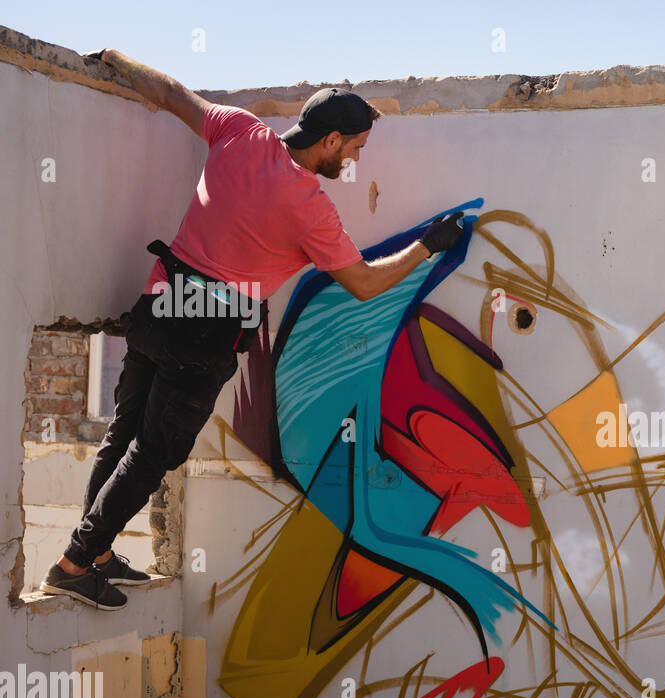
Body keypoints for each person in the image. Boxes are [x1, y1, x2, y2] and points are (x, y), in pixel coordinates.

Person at [41, 48, 466, 610]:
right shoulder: (310, 208)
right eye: (357, 148)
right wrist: (426, 247)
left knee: (124, 433)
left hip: (160, 302)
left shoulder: (240, 132)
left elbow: (170, 94)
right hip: (206, 331)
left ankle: (95, 556)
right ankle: (74, 564)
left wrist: (117, 60)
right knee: (152, 451)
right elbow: (363, 282)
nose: (356, 161)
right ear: (331, 140)